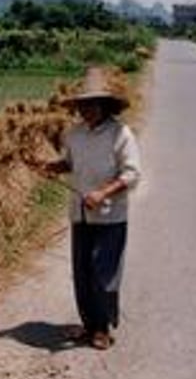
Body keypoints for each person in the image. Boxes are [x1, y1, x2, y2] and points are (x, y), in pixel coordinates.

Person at [35, 66, 141, 350]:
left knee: (102, 273)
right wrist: (51, 167)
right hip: (80, 213)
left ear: (106, 105)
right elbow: (70, 163)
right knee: (82, 273)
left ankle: (103, 327)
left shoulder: (121, 134)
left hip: (110, 216)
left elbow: (132, 174)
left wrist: (103, 192)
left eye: (92, 104)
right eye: (82, 105)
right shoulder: (74, 134)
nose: (86, 110)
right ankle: (89, 325)